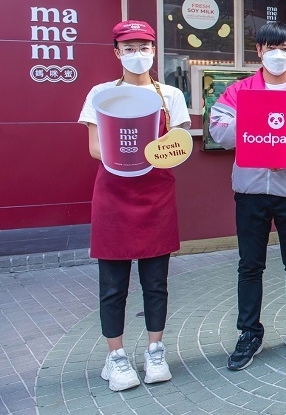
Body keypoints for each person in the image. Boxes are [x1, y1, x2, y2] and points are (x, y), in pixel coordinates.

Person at [209, 21, 286, 369]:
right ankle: (249, 333)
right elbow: (218, 129)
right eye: (271, 48)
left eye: (285, 48)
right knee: (250, 265)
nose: (278, 54)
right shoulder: (240, 91)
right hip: (251, 190)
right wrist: (253, 119)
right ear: (259, 51)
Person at [79, 20, 191, 391]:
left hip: (156, 196)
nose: (137, 54)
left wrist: (157, 154)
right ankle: (116, 357)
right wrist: (131, 157)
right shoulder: (101, 94)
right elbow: (95, 147)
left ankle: (155, 351)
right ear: (117, 52)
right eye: (129, 48)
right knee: (113, 285)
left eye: (144, 47)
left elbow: (178, 146)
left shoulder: (170, 95)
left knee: (156, 282)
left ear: (154, 51)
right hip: (113, 196)